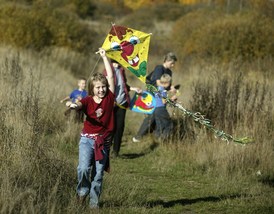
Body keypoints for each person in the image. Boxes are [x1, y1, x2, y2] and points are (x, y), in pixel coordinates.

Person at [68, 48, 114, 209]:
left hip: (103, 141)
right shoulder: (87, 100)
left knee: (98, 174)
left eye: (103, 87)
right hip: (87, 139)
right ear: (91, 89)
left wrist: (104, 57)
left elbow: (111, 77)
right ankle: (82, 193)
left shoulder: (109, 97)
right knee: (83, 168)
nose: (101, 90)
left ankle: (94, 204)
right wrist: (74, 104)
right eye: (97, 88)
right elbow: (80, 104)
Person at [132, 52, 178, 142]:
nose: (172, 65)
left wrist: (171, 88)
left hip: (162, 95)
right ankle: (138, 136)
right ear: (167, 60)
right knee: (151, 115)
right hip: (153, 94)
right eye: (172, 63)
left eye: (173, 64)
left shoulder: (169, 72)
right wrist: (166, 87)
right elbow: (158, 82)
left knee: (158, 116)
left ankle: (156, 136)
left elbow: (167, 85)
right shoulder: (159, 68)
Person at [104, 59, 142, 157]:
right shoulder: (108, 69)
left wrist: (134, 88)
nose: (118, 63)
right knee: (110, 128)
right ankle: (106, 150)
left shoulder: (121, 70)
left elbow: (124, 85)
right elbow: (104, 86)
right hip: (111, 103)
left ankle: (116, 152)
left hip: (122, 102)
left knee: (120, 127)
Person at [153, 74, 173, 140]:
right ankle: (164, 139)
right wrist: (172, 99)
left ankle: (157, 140)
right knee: (169, 125)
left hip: (155, 109)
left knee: (159, 126)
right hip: (161, 109)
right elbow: (164, 101)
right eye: (170, 83)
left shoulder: (157, 89)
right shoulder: (163, 90)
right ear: (167, 82)